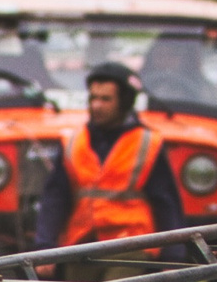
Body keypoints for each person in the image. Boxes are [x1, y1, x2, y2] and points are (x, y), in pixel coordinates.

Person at [34, 63, 183, 271]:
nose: (96, 105)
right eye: (93, 98)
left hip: (131, 245)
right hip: (82, 245)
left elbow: (166, 203)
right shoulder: (74, 141)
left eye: (105, 99)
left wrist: (173, 257)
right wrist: (45, 249)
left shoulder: (146, 143)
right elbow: (55, 198)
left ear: (124, 103)